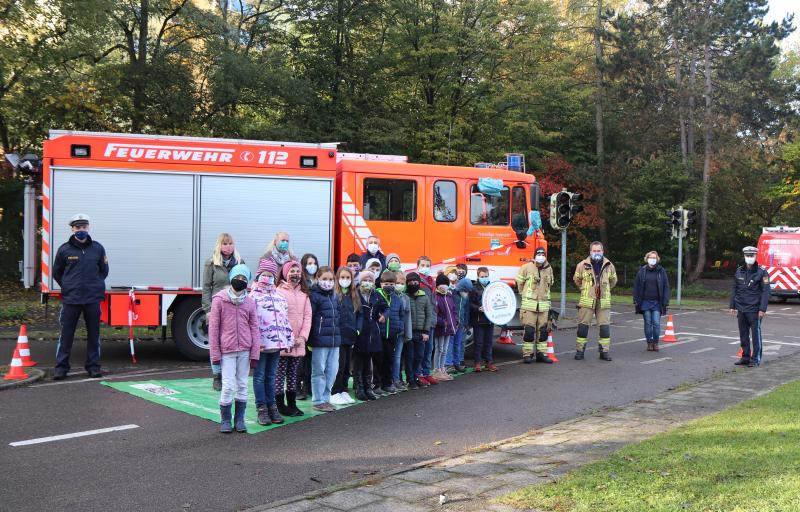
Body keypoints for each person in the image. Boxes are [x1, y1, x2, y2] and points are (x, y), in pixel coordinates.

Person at [52, 214, 109, 380]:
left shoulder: (98, 248)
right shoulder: (64, 249)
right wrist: (68, 286)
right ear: (72, 229)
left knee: (94, 334)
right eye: (78, 227)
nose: (81, 230)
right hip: (71, 299)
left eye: (84, 227)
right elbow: (57, 272)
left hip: (92, 299)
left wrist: (95, 283)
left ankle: (93, 367)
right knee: (66, 335)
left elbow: (104, 270)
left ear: (88, 228)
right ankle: (61, 368)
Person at [208, 264, 260, 433]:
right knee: (228, 385)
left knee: (243, 385)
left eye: (244, 279)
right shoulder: (219, 300)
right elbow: (214, 329)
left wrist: (255, 353)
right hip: (227, 351)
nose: (240, 281)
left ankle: (239, 419)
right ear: (231, 278)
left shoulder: (250, 302)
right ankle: (225, 420)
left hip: (245, 349)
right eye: (237, 277)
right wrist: (215, 355)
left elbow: (254, 328)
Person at [251, 259, 294, 426]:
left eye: (270, 275)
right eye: (264, 275)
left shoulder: (279, 297)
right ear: (258, 275)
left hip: (276, 345)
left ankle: (272, 407)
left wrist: (288, 339)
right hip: (261, 346)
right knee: (259, 376)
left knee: (271, 376)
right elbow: (250, 323)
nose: (267, 278)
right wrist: (254, 343)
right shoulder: (252, 296)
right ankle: (261, 408)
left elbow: (284, 320)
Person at [202, 233, 244, 390]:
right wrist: (207, 309)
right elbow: (206, 287)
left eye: (230, 243)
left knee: (233, 341)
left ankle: (231, 374)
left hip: (236, 307)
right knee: (216, 342)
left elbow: (245, 284)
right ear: (219, 245)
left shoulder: (240, 262)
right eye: (225, 243)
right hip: (217, 308)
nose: (228, 246)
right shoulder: (211, 263)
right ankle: (217, 375)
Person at [276, 261, 312, 417]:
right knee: (279, 375)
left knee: (292, 374)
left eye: (298, 271)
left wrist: (303, 337)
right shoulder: (278, 292)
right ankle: (279, 405)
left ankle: (292, 403)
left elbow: (307, 316)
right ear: (285, 273)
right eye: (292, 271)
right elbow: (278, 317)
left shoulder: (304, 295)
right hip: (284, 342)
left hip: (298, 342)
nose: (295, 274)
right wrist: (288, 337)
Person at [574, 242, 618, 361]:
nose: (596, 253)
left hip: (603, 301)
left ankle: (604, 352)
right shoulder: (582, 265)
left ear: (602, 252)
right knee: (583, 327)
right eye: (594, 251)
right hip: (587, 300)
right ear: (590, 252)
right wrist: (586, 290)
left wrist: (605, 290)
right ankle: (580, 351)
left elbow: (613, 281)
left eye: (599, 251)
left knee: (604, 328)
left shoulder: (609, 265)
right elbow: (577, 280)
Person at [730, 246, 771, 367]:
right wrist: (732, 305)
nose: (749, 258)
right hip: (741, 308)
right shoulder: (739, 271)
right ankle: (745, 357)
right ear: (744, 256)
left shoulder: (762, 272)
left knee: (755, 335)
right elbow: (735, 288)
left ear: (755, 256)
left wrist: (762, 309)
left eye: (752, 255)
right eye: (747, 256)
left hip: (754, 309)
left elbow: (766, 292)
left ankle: (755, 359)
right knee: (743, 334)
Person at [308, 266, 341, 412]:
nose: (328, 282)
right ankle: (318, 400)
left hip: (334, 340)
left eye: (330, 279)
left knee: (332, 370)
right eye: (324, 279)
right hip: (319, 339)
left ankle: (326, 398)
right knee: (319, 370)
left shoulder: (334, 296)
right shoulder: (314, 295)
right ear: (317, 279)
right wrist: (309, 339)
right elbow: (310, 317)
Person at [516, 247, 554, 364]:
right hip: (529, 306)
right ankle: (527, 354)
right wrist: (525, 296)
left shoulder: (549, 268)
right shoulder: (526, 267)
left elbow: (550, 285)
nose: (541, 255)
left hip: (543, 306)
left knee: (543, 331)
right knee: (529, 331)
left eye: (543, 254)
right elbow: (520, 284)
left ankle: (541, 354)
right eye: (539, 253)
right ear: (534, 255)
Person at [331, 266, 361, 405]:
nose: (345, 280)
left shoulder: (354, 296)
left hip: (350, 336)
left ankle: (343, 389)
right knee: (339, 365)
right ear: (337, 279)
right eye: (342, 277)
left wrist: (358, 329)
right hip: (338, 336)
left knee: (348, 365)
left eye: (348, 277)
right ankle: (335, 391)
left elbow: (359, 314)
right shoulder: (335, 295)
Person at [375, 271, 406, 394]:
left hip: (392, 335)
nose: (389, 286)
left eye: (391, 283)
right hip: (379, 334)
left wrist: (399, 327)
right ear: (381, 284)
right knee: (378, 360)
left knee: (389, 359)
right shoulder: (376, 296)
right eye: (386, 283)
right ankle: (376, 384)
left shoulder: (397, 299)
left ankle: (387, 383)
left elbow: (401, 315)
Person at [633, 251, 670, 352]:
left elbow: (666, 286)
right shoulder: (642, 271)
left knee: (656, 323)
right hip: (645, 302)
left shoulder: (661, 271)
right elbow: (636, 286)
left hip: (657, 302)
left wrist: (666, 300)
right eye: (651, 257)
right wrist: (635, 299)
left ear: (657, 259)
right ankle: (649, 343)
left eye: (654, 257)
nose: (652, 259)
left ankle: (656, 343)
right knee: (648, 323)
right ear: (647, 258)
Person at [353, 271, 382, 400]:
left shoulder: (376, 295)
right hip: (360, 331)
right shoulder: (356, 294)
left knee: (368, 362)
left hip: (371, 333)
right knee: (358, 362)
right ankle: (359, 388)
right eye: (365, 279)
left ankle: (367, 387)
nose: (368, 282)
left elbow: (385, 307)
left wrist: (384, 315)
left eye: (370, 280)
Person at [405, 272, 434, 389]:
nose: (413, 284)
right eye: (410, 283)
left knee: (419, 356)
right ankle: (410, 379)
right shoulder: (405, 296)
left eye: (415, 282)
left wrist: (426, 332)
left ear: (419, 283)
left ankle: (417, 377)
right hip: (409, 332)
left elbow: (428, 315)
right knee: (410, 356)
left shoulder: (424, 297)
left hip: (421, 333)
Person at [297, 253, 319, 398]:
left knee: (311, 358)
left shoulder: (319, 281)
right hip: (302, 323)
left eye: (314, 263)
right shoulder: (301, 282)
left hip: (315, 323)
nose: (312, 266)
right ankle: (297, 387)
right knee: (300, 358)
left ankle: (308, 386)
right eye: (309, 263)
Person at [415, 256, 439, 385]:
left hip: (431, 320)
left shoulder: (431, 281)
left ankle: (426, 373)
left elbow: (434, 303)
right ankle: (418, 374)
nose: (425, 268)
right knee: (420, 350)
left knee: (429, 349)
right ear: (418, 265)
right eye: (423, 265)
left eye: (427, 265)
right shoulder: (417, 280)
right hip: (422, 321)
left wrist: (434, 318)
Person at [469, 267, 498, 372]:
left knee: (489, 342)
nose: (484, 278)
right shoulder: (474, 288)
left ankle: (489, 362)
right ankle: (477, 362)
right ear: (478, 277)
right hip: (478, 320)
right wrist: (477, 308)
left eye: (486, 276)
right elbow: (470, 303)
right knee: (479, 342)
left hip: (490, 320)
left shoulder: (492, 287)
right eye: (482, 277)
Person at [433, 273, 457, 381]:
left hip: (449, 328)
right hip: (440, 328)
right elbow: (435, 314)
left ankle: (442, 368)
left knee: (445, 349)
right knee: (439, 348)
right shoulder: (436, 297)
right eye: (441, 284)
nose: (444, 286)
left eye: (445, 284)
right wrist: (443, 322)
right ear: (437, 285)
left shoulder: (449, 296)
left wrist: (455, 321)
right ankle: (436, 370)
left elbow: (453, 311)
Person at [447, 265, 471, 372]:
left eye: (468, 291)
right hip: (453, 323)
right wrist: (453, 321)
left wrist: (466, 323)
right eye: (465, 291)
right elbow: (451, 309)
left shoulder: (464, 297)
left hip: (461, 324)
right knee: (450, 343)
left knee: (458, 343)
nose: (466, 293)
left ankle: (456, 363)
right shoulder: (452, 294)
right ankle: (448, 364)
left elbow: (465, 310)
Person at [392, 271, 413, 390]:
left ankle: (396, 379)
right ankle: (389, 379)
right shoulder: (391, 296)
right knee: (390, 356)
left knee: (397, 357)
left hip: (401, 333)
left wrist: (408, 334)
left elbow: (407, 317)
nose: (399, 285)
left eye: (402, 283)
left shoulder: (406, 298)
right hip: (391, 332)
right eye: (397, 283)